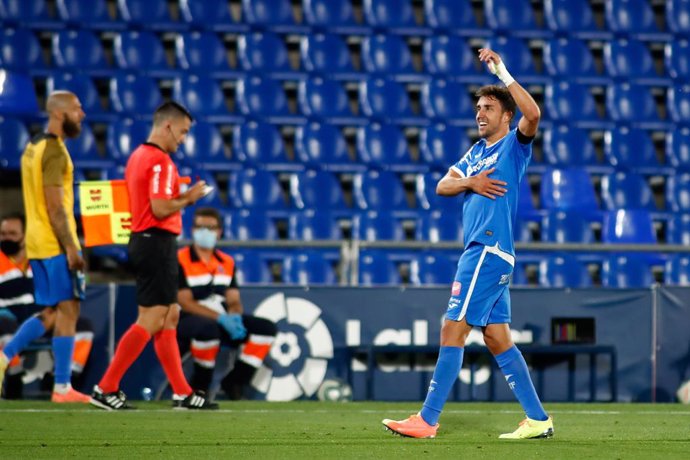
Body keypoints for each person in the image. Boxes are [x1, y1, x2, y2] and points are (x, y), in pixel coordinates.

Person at [382, 49, 553, 439]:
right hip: (483, 252)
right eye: (478, 107)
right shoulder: (476, 153)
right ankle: (538, 419)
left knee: (452, 329)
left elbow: (535, 116)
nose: (480, 113)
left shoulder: (512, 146)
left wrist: (503, 72)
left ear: (505, 116)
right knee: (496, 337)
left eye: (489, 107)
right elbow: (442, 186)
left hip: (487, 250)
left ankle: (426, 420)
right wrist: (470, 182)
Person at [90, 101, 216, 410]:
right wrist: (188, 197)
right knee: (153, 317)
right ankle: (105, 387)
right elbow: (160, 208)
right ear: (168, 126)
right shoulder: (159, 161)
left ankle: (182, 393)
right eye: (183, 132)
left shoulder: (139, 156)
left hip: (148, 241)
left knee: (169, 314)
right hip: (155, 242)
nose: (183, 139)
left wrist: (177, 193)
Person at [1, 92, 92, 403]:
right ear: (59, 113)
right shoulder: (53, 151)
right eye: (77, 109)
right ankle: (62, 387)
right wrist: (71, 247)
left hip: (38, 242)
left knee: (52, 310)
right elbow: (55, 207)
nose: (82, 114)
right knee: (70, 309)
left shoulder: (33, 146)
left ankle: (4, 357)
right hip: (54, 241)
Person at [177, 207, 277, 399]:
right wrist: (220, 318)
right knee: (208, 329)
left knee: (265, 329)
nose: (205, 231)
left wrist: (235, 316)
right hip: (188, 318)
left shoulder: (227, 262)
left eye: (211, 227)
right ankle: (200, 385)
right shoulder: (180, 259)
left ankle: (235, 381)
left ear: (219, 231)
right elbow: (186, 302)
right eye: (200, 227)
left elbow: (233, 298)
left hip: (220, 316)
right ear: (193, 229)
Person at [0, 213, 93, 399]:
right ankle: (13, 377)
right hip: (7, 314)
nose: (6, 238)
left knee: (80, 324)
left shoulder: (37, 261)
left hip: (40, 315)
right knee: (5, 324)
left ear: (25, 235)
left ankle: (61, 379)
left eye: (12, 233)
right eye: (2, 234)